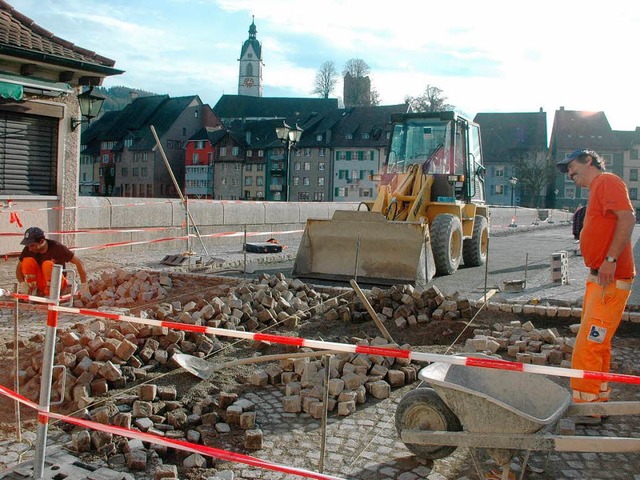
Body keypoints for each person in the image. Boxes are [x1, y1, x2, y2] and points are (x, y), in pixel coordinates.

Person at [556, 149, 635, 412]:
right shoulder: (598, 188)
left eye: (571, 166)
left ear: (589, 160)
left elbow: (627, 218)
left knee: (588, 345)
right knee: (597, 344)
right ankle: (597, 401)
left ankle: (585, 407)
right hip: (601, 282)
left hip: (609, 282)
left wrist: (610, 260)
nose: (569, 173)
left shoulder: (608, 181)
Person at [15, 227, 87, 297]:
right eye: (28, 246)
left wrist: (84, 288)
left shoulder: (57, 248)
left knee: (47, 264)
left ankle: (50, 294)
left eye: (32, 246)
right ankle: (34, 291)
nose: (29, 249)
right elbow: (18, 269)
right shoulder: (28, 249)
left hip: (57, 283)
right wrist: (22, 283)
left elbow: (79, 263)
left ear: (42, 241)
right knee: (27, 262)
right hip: (41, 282)